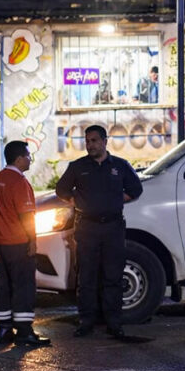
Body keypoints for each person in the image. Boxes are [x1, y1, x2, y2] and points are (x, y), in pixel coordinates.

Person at [56, 125, 143, 339]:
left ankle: (114, 324)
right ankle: (86, 322)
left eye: (94, 140)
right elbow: (61, 190)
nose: (90, 145)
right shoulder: (78, 167)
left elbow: (135, 190)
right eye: (87, 141)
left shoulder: (120, 166)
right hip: (87, 228)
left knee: (113, 276)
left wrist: (114, 201)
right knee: (86, 277)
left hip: (113, 228)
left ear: (105, 141)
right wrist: (76, 201)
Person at [0, 140, 50, 347]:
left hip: (0, 243)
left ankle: (4, 329)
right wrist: (32, 241)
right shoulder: (19, 183)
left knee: (3, 285)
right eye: (28, 155)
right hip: (18, 243)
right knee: (23, 286)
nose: (30, 159)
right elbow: (26, 217)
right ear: (19, 158)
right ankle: (24, 332)